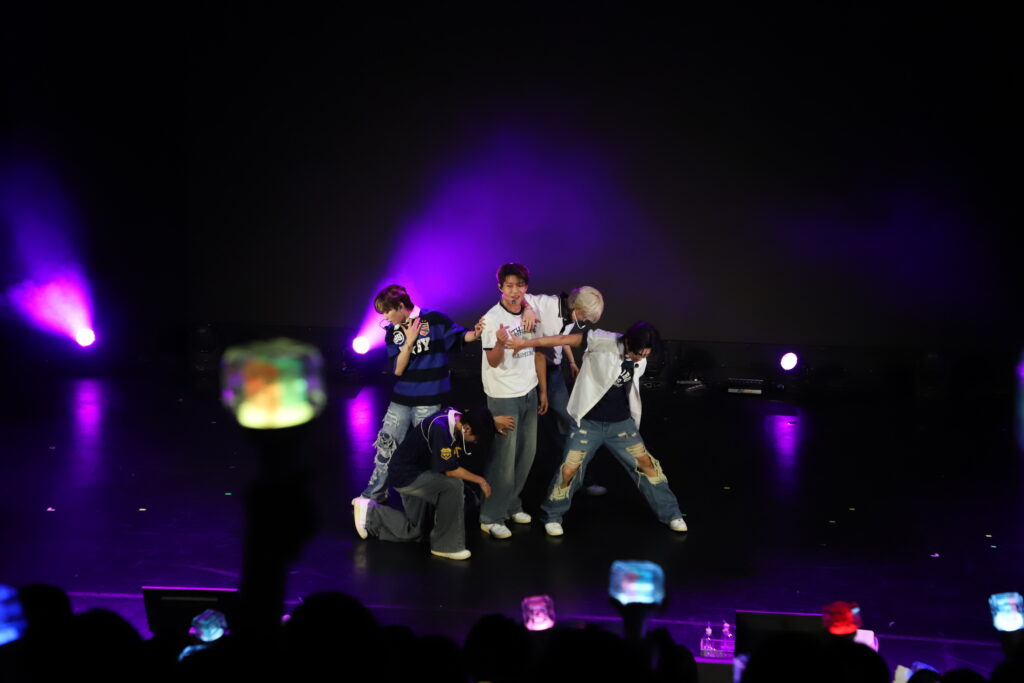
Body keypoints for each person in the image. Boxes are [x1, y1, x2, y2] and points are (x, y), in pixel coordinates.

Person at [504, 321, 687, 536]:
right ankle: (552, 515)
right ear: (629, 342)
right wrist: (525, 343)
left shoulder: (641, 358)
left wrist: (639, 358)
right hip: (588, 423)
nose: (641, 358)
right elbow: (562, 339)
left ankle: (672, 514)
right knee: (569, 469)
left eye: (645, 354)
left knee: (647, 466)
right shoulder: (602, 340)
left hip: (621, 424)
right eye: (638, 353)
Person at [360, 285, 504, 502]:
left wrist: (476, 333)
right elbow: (398, 369)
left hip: (428, 400)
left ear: (400, 306)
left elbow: (460, 336)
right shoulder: (392, 331)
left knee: (425, 450)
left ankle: (425, 500)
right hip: (401, 400)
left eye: (387, 311)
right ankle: (375, 494)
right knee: (387, 446)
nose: (385, 317)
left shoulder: (434, 319)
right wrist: (409, 341)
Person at [352, 407, 496, 560]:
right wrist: (481, 480)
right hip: (407, 475)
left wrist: (493, 424)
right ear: (467, 429)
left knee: (418, 531)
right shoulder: (440, 428)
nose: (475, 442)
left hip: (420, 472)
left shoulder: (459, 417)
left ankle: (369, 514)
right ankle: (446, 545)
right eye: (476, 439)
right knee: (453, 486)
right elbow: (450, 471)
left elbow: (474, 415)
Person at [477, 263, 548, 539]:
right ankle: (490, 516)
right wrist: (498, 343)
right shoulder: (492, 318)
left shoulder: (531, 312)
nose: (515, 291)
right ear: (500, 288)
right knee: (503, 460)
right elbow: (493, 362)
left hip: (528, 391)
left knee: (526, 455)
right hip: (504, 394)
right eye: (509, 286)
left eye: (520, 286)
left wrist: (542, 390)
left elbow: (538, 351)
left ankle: (510, 504)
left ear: (526, 287)